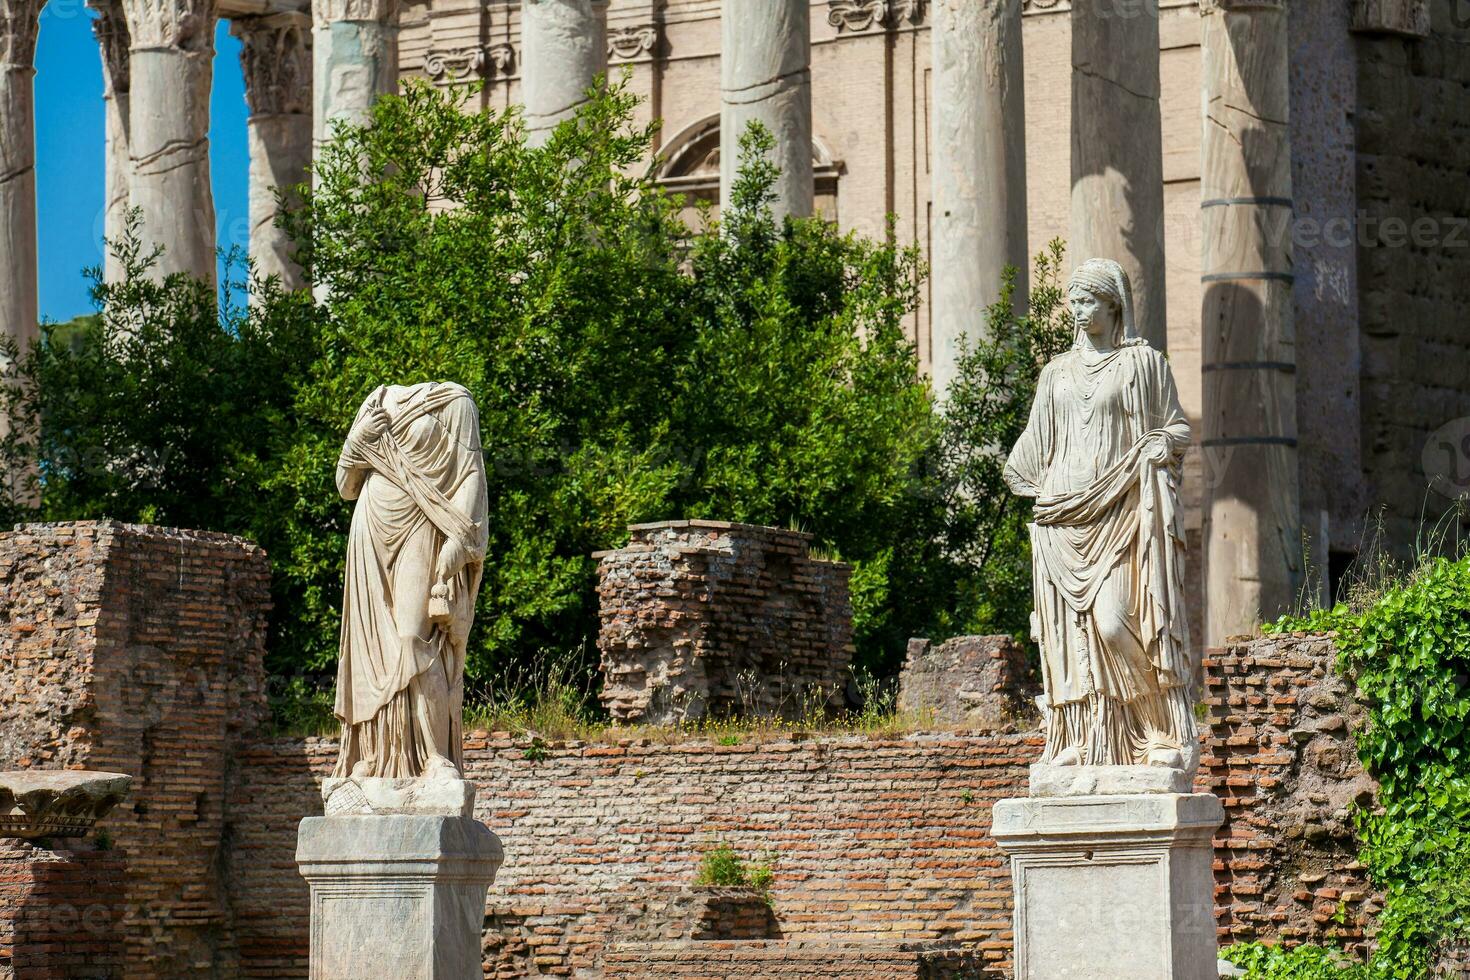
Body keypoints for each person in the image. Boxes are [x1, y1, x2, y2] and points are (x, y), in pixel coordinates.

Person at [1004, 258, 1196, 771]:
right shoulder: (1055, 374)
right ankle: (1078, 738)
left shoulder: (1144, 365)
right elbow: (1031, 449)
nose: (1077, 309)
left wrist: (1159, 444)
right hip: (1062, 517)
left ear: (1114, 305)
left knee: (1114, 622)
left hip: (1120, 508)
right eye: (1073, 300)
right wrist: (1027, 481)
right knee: (1069, 638)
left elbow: (1177, 429)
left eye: (1088, 300)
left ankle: (1157, 727)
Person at [331, 382, 488, 779]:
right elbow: (346, 486)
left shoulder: (455, 402)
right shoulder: (375, 401)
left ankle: (434, 758)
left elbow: (470, 476)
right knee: (370, 650)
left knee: (411, 636)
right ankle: (373, 756)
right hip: (370, 526)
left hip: (421, 520)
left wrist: (459, 538)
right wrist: (357, 443)